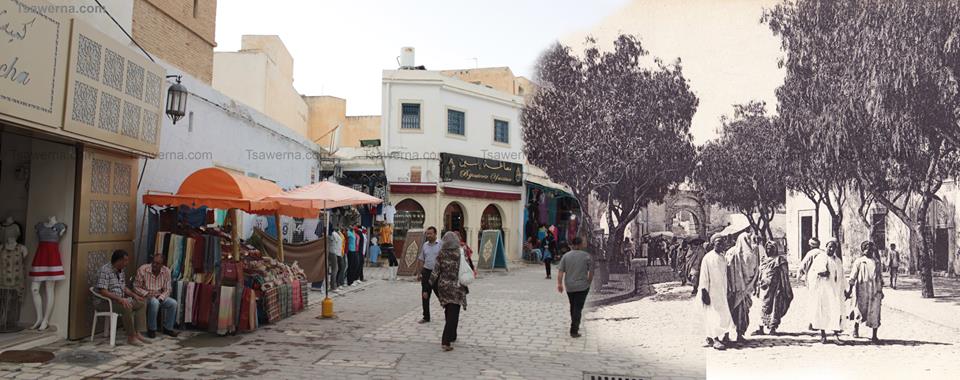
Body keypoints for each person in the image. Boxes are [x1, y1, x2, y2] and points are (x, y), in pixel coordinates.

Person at [95, 250, 149, 346]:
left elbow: (123, 287)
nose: (127, 263)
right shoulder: (105, 270)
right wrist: (119, 299)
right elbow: (103, 291)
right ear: (118, 260)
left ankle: (138, 333)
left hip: (120, 300)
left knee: (141, 303)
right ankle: (131, 337)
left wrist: (134, 295)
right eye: (125, 260)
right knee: (126, 307)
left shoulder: (121, 271)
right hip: (107, 302)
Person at [430, 232, 468, 351]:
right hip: (456, 286)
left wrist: (428, 284)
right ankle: (446, 340)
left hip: (444, 286)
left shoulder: (441, 253)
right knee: (454, 313)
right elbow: (467, 267)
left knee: (449, 309)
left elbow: (435, 271)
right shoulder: (460, 252)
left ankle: (452, 335)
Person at [698, 233, 735, 350]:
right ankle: (715, 339)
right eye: (718, 242)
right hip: (711, 292)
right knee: (713, 315)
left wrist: (729, 289)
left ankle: (724, 336)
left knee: (724, 314)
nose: (720, 245)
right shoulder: (707, 258)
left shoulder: (723, 258)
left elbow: (725, 276)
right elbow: (703, 276)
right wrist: (704, 292)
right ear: (713, 244)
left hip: (722, 292)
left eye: (722, 242)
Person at [808, 239, 845, 344]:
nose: (832, 249)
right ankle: (823, 335)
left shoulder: (837, 260)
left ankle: (836, 335)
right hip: (824, 290)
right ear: (826, 247)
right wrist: (820, 273)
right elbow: (813, 272)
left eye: (834, 247)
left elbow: (841, 276)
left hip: (835, 291)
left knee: (836, 312)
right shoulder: (820, 258)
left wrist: (846, 289)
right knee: (823, 312)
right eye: (830, 247)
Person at [133, 253, 179, 338]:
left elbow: (168, 289)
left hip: (159, 296)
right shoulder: (143, 269)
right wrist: (147, 294)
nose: (154, 265)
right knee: (154, 302)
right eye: (153, 262)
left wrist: (161, 298)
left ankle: (168, 328)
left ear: (162, 264)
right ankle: (152, 329)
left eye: (157, 263)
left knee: (173, 303)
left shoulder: (166, 271)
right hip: (145, 296)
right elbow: (136, 287)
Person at [847, 241, 884, 343]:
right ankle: (856, 328)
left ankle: (874, 335)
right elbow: (852, 276)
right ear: (863, 250)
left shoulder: (876, 262)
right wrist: (849, 290)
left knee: (875, 312)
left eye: (870, 249)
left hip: (875, 290)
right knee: (859, 309)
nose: (868, 251)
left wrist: (881, 290)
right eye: (866, 248)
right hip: (862, 289)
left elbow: (880, 277)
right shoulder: (859, 261)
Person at [754, 241, 793, 336]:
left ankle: (772, 328)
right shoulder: (764, 260)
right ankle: (761, 328)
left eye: (771, 248)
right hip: (764, 289)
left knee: (775, 308)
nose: (769, 250)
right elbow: (760, 273)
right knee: (762, 307)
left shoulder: (780, 260)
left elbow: (784, 275)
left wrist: (785, 288)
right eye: (767, 248)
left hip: (776, 289)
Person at [725, 232, 758, 342]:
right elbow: (755, 272)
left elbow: (727, 269)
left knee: (732, 310)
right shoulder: (752, 254)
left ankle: (732, 335)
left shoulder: (731, 252)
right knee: (740, 311)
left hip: (735, 289)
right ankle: (737, 334)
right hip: (742, 289)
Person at [557, 237, 592, 338]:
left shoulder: (566, 256)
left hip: (569, 286)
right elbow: (591, 272)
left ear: (572, 245)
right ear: (580, 244)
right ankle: (574, 330)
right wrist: (588, 282)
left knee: (573, 305)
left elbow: (560, 272)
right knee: (578, 308)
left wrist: (559, 284)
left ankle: (574, 324)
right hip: (582, 286)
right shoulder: (586, 256)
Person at [797, 237, 825, 331]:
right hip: (823, 280)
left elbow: (802, 266)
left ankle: (812, 323)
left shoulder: (810, 253)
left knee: (813, 301)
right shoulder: (823, 253)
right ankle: (817, 322)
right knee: (821, 301)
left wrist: (800, 276)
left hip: (813, 280)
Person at [416, 227, 441, 323]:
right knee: (425, 295)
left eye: (430, 234)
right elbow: (421, 259)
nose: (428, 236)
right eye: (427, 234)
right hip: (426, 272)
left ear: (435, 234)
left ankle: (448, 312)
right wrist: (419, 273)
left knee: (440, 294)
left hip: (437, 273)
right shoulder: (425, 245)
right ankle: (426, 316)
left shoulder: (440, 244)